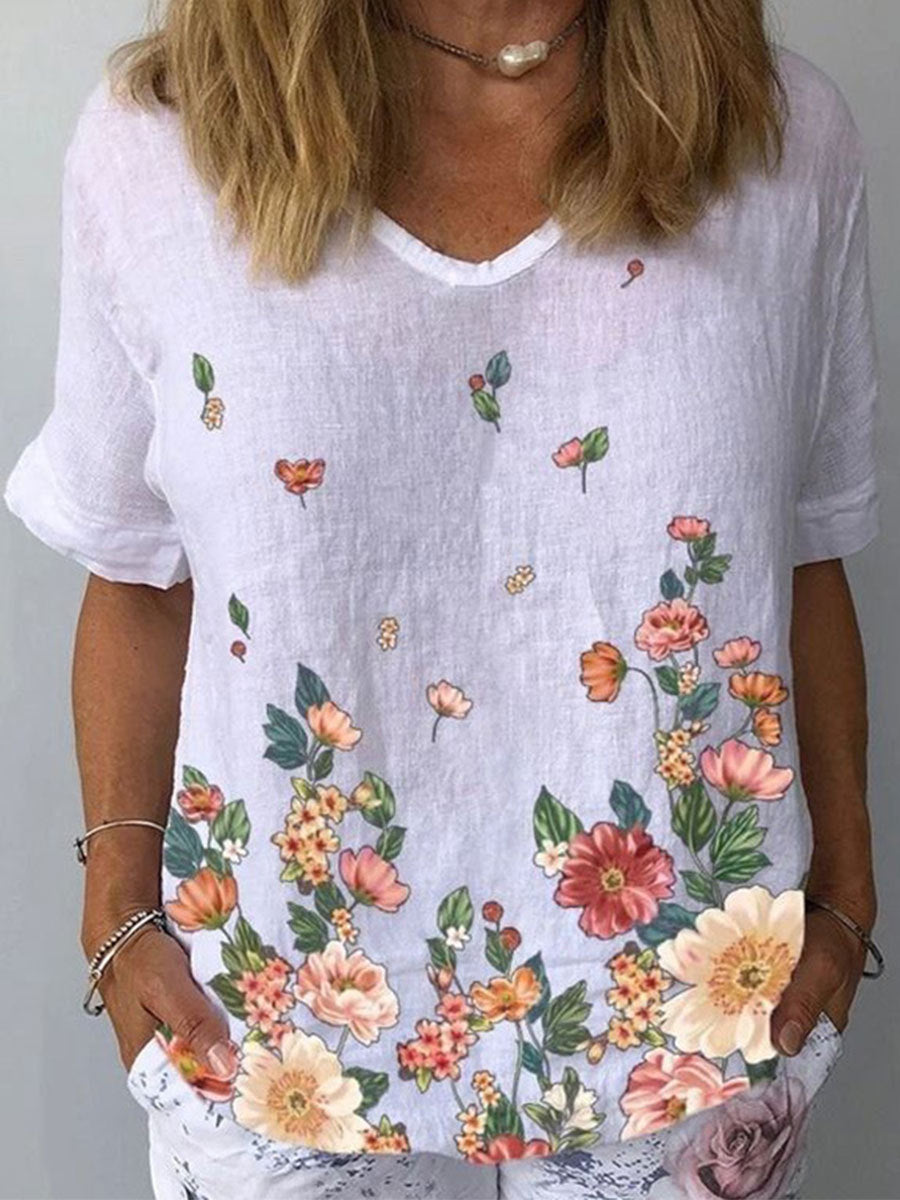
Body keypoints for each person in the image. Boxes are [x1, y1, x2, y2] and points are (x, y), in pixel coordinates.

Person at [4, 2, 885, 1198]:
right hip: (270, 1030)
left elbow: (805, 549)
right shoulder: (166, 142)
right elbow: (138, 573)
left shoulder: (777, 136)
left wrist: (847, 896)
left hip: (700, 1016)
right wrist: (116, 910)